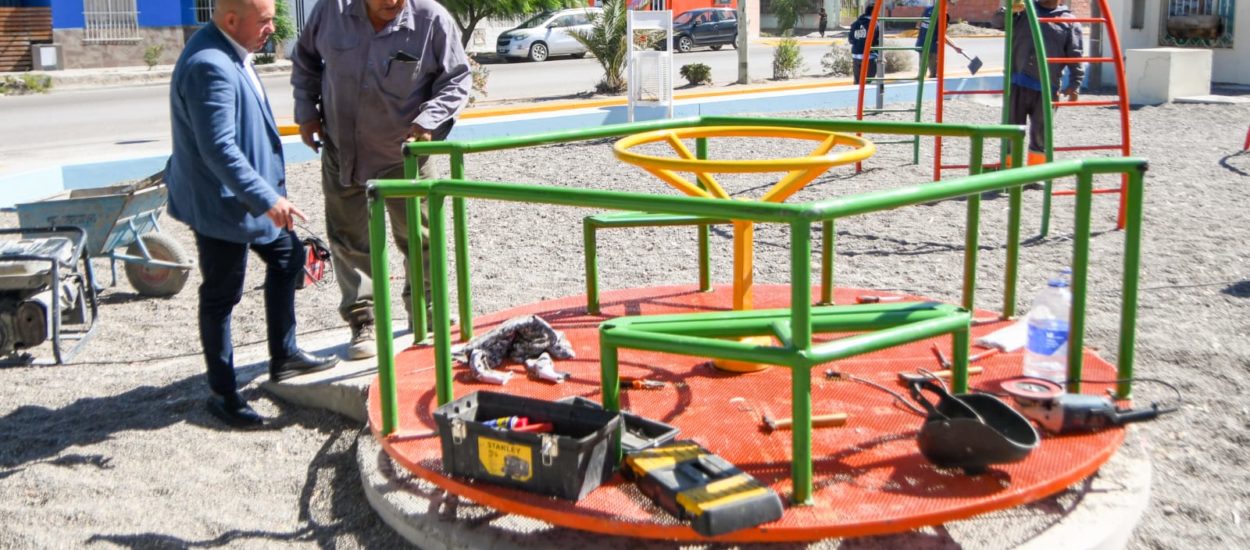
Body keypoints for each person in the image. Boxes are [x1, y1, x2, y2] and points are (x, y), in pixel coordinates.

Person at [166, 0, 339, 429]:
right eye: (264, 20)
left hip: (252, 202)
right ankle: (223, 394)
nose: (273, 28)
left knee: (290, 259)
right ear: (230, 20)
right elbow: (218, 148)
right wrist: (267, 198)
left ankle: (284, 356)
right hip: (223, 205)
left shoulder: (231, 50)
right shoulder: (210, 64)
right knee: (223, 294)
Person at [291, 0, 472, 360]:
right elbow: (306, 60)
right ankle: (364, 321)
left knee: (421, 238)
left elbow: (456, 78)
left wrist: (430, 120)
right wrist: (307, 112)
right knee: (349, 240)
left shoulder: (430, 19)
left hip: (404, 156)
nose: (393, 2)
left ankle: (427, 311)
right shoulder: (331, 12)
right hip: (343, 150)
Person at [1008, 0, 1084, 166]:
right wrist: (1009, 11)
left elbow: (1075, 55)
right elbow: (998, 22)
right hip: (1017, 83)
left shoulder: (1068, 21)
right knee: (1012, 131)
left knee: (1041, 134)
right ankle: (1009, 172)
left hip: (1048, 87)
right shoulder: (1023, 10)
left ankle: (1035, 174)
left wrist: (1075, 83)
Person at [916, 1, 965, 78]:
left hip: (921, 44)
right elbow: (941, 36)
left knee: (921, 75)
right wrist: (955, 47)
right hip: (933, 48)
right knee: (934, 76)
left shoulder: (927, 9)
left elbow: (918, 25)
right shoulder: (943, 15)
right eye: (950, 3)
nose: (951, 6)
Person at [848, 4, 882, 85]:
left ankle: (857, 97)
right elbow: (877, 42)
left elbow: (850, 40)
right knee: (867, 83)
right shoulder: (875, 24)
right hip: (869, 57)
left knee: (857, 83)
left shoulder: (855, 23)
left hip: (856, 56)